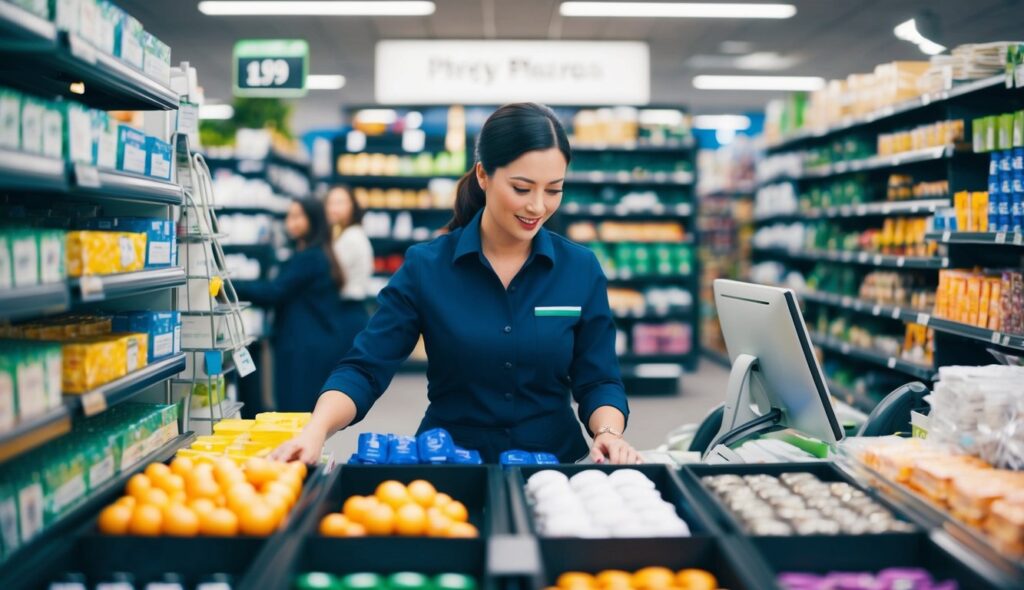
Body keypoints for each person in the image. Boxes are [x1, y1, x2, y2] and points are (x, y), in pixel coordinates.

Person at [270, 103, 640, 465]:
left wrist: (608, 432)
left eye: (554, 189)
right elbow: (365, 368)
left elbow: (599, 379)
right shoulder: (427, 266)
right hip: (447, 468)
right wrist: (315, 430)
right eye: (522, 188)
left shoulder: (579, 269)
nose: (538, 206)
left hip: (554, 469)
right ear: (483, 175)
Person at [232, 198, 356, 412]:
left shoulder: (310, 258)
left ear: (313, 219)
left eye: (298, 216)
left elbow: (274, 292)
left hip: (303, 347)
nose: (291, 222)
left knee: (295, 411)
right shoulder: (313, 253)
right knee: (301, 411)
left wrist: (229, 286)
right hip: (307, 342)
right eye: (289, 216)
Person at [324, 183, 373, 352]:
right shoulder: (343, 234)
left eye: (340, 202)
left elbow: (330, 274)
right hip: (348, 312)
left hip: (348, 312)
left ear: (353, 205)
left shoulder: (351, 237)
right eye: (330, 203)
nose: (333, 208)